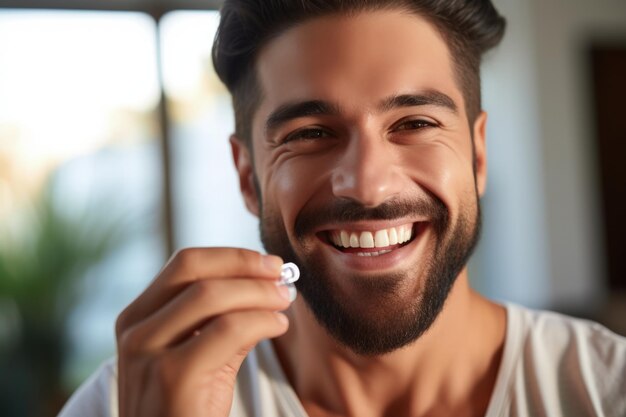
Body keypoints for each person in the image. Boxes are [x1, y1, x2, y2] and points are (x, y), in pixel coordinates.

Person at [59, 1, 626, 416]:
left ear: (477, 154)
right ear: (248, 177)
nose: (369, 187)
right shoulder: (130, 403)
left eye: (415, 123)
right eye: (309, 133)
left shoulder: (606, 389)